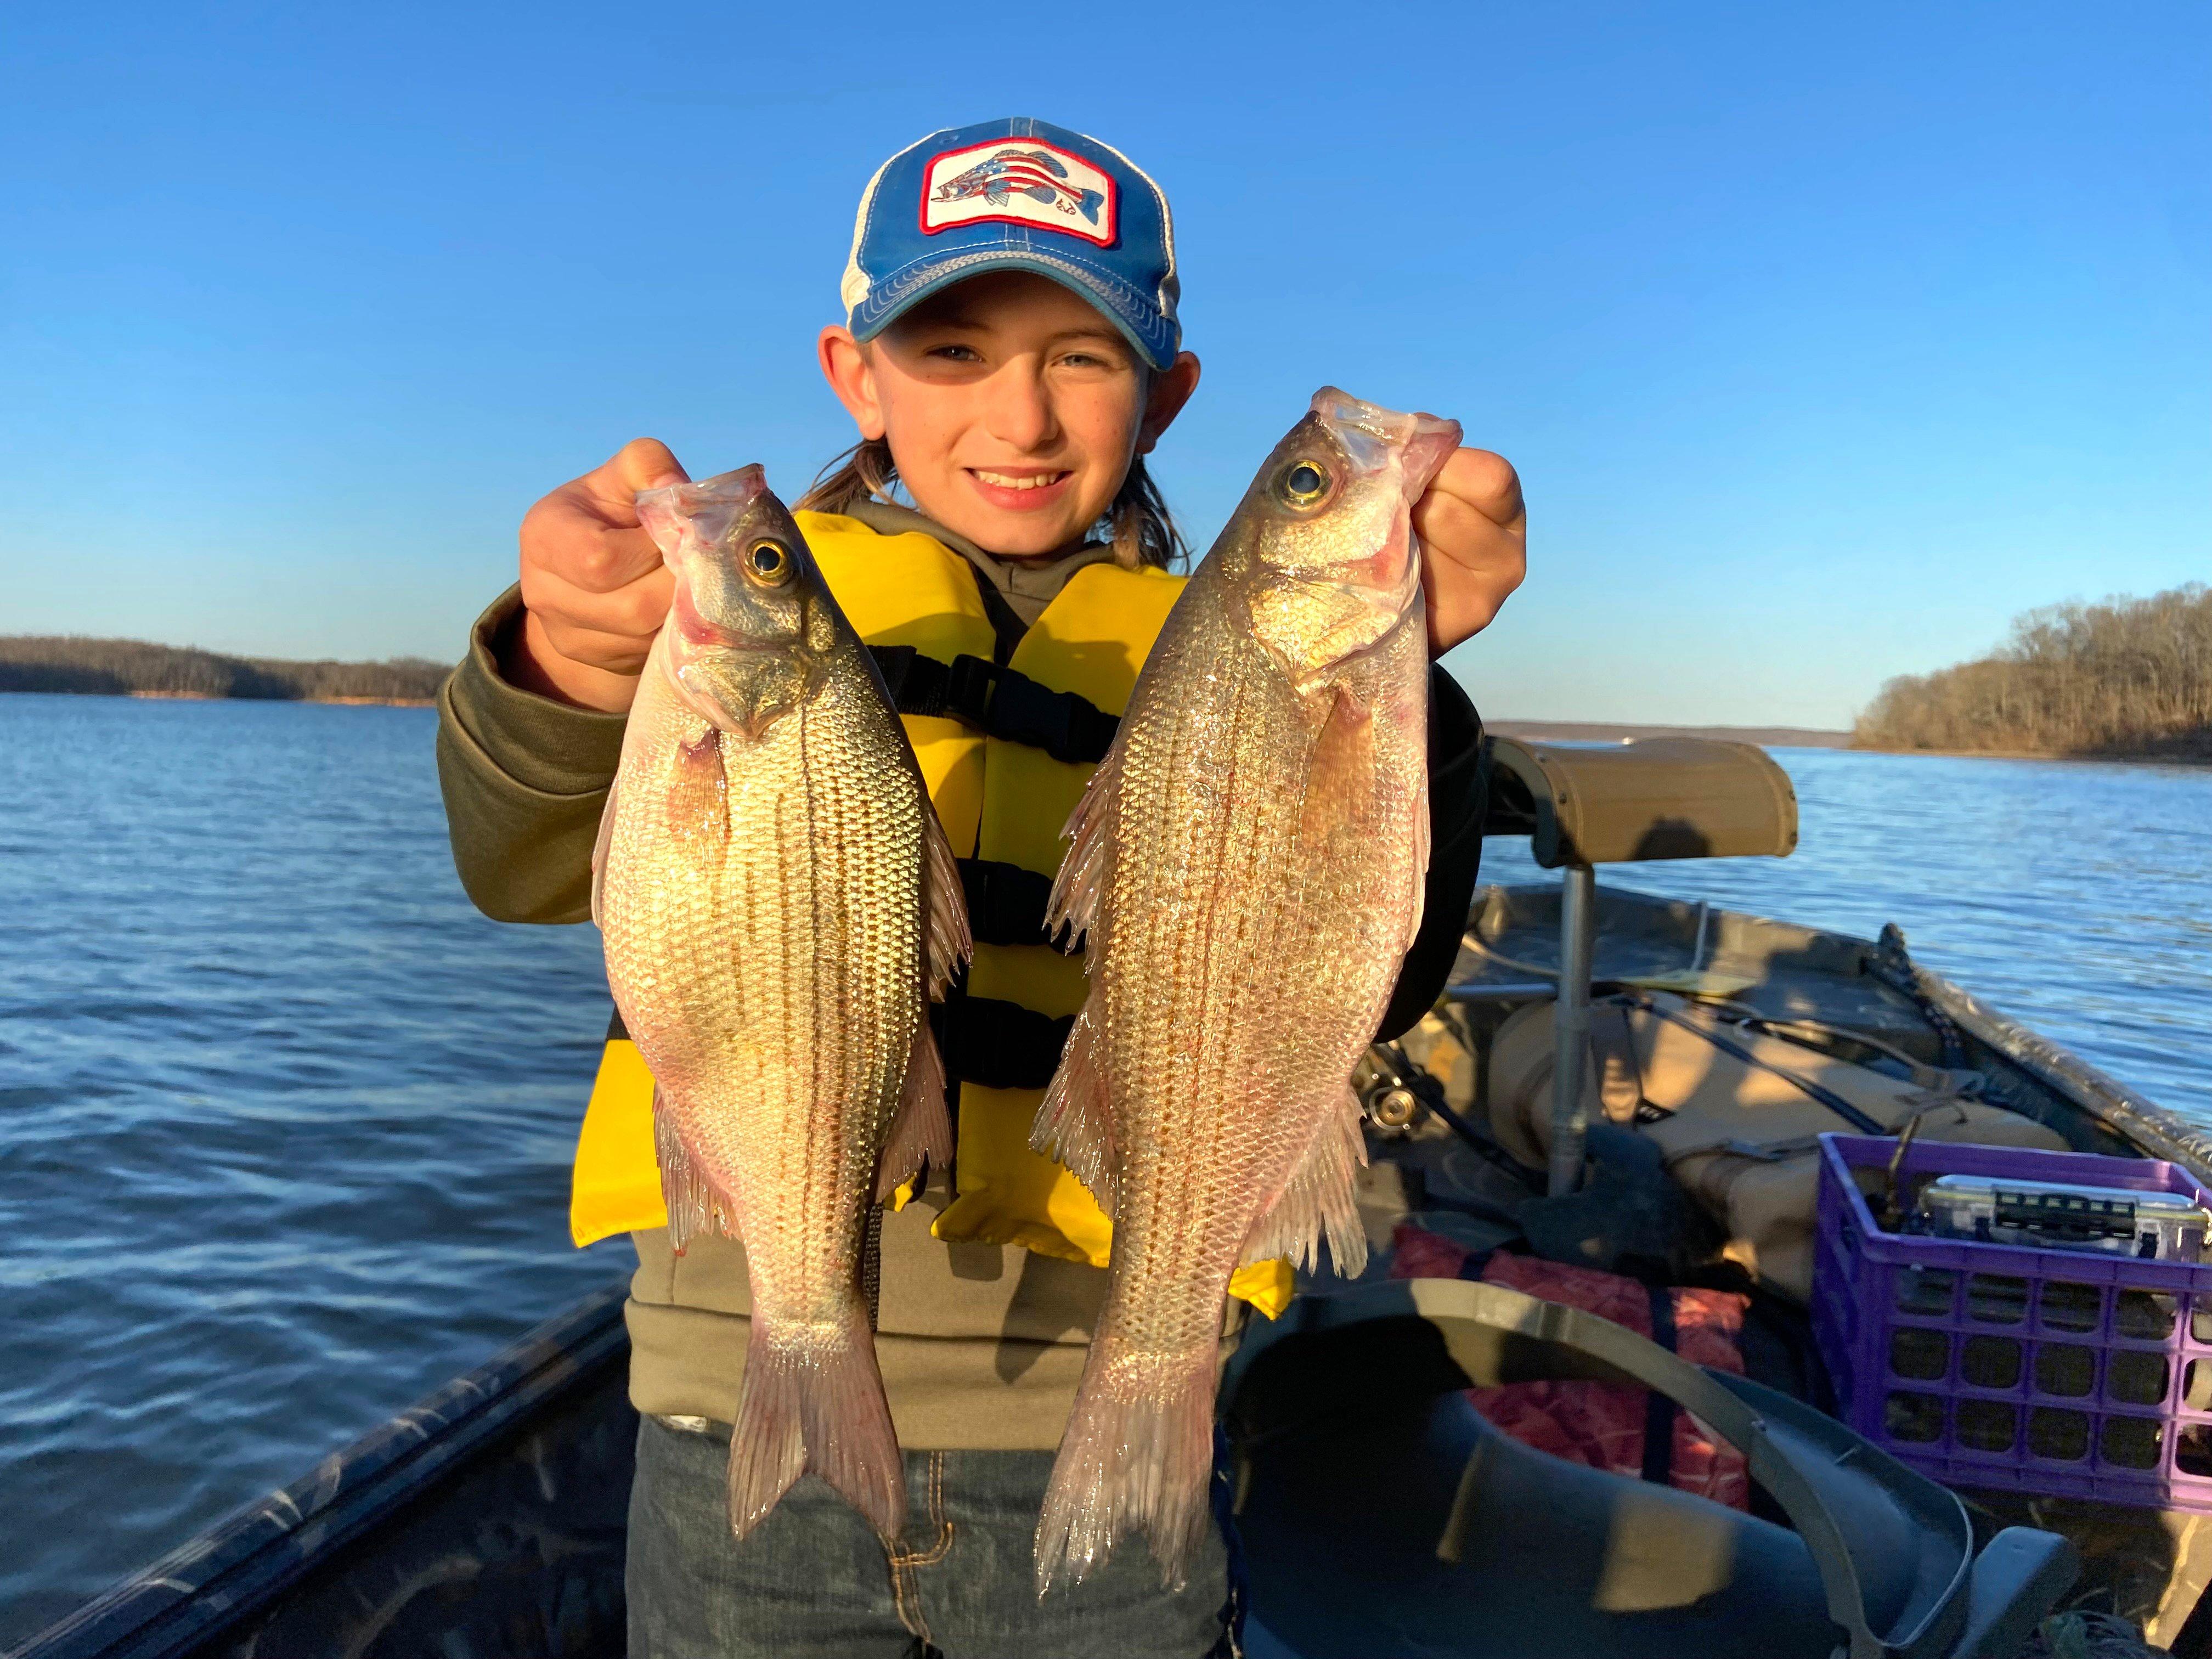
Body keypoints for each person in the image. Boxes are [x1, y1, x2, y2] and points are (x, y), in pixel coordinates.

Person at [435, 116, 1527, 1659]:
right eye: (950, 348)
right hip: (732, 1363)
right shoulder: (758, 612)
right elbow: (522, 856)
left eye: (1083, 355)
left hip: (1106, 1366)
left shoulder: (1210, 648)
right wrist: (557, 669)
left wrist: (1420, 690)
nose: (1020, 411)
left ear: (1169, 396)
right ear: (854, 375)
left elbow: (1375, 962)